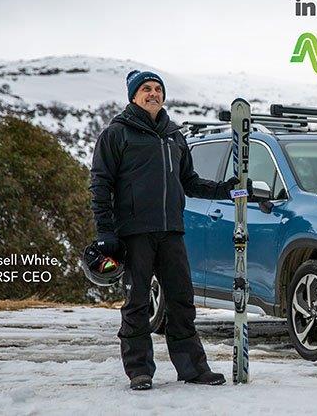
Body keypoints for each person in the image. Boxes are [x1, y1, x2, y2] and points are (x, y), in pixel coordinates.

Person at [89, 69, 237, 391]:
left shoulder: (174, 136)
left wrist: (226, 190)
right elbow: (100, 185)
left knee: (182, 301)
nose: (153, 93)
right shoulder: (117, 134)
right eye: (146, 89)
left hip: (172, 231)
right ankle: (139, 370)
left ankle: (193, 368)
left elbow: (190, 182)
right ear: (133, 96)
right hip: (135, 233)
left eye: (157, 88)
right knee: (138, 302)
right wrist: (106, 232)